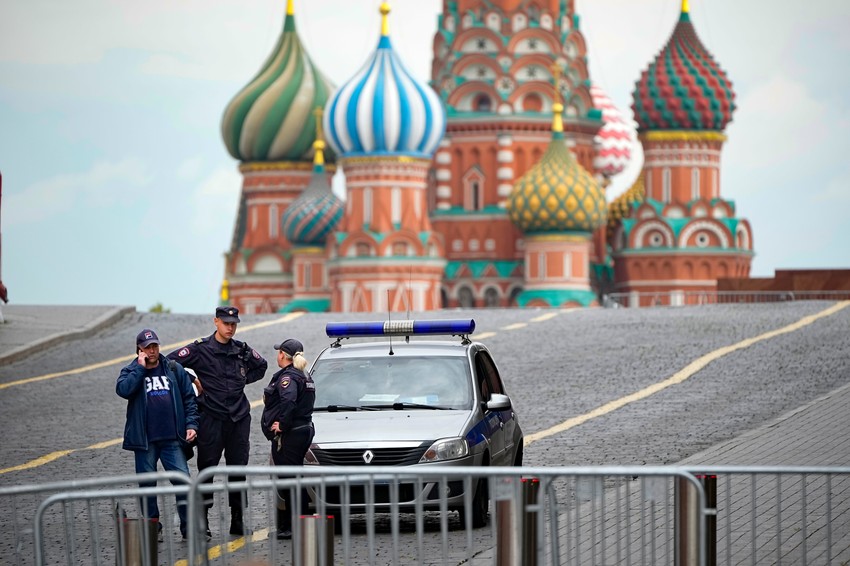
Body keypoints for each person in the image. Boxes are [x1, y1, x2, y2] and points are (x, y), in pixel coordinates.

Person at [167, 306, 267, 536]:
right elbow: (170, 362)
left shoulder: (241, 350)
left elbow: (261, 366)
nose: (230, 328)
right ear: (216, 322)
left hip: (238, 418)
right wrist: (193, 380)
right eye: (226, 323)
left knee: (238, 468)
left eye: (233, 324)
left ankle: (237, 519)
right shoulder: (200, 349)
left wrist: (243, 379)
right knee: (207, 470)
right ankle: (203, 522)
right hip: (211, 416)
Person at [116, 328, 199, 540]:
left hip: (172, 439)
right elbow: (123, 390)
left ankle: (189, 528)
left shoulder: (173, 368)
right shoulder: (130, 371)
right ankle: (153, 527)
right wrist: (140, 369)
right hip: (145, 441)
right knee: (147, 487)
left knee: (183, 482)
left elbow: (189, 398)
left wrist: (191, 425)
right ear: (139, 350)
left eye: (154, 346)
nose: (152, 351)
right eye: (147, 348)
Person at [261, 338, 315, 540]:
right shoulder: (304, 375)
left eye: (279, 352)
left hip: (291, 434)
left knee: (289, 480)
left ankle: (292, 527)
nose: (278, 355)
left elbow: (289, 402)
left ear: (283, 355)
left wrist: (281, 425)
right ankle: (297, 525)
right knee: (295, 478)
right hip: (303, 429)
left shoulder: (289, 378)